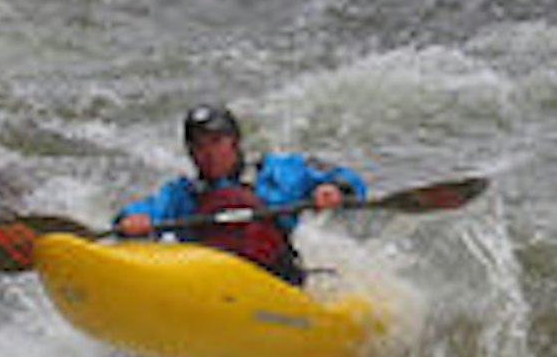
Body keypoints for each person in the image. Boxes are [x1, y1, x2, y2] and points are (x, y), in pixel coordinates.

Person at [113, 104, 367, 286]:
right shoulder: (182, 194)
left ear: (234, 142)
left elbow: (348, 179)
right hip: (209, 288)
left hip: (277, 284)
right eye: (199, 146)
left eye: (216, 142)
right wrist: (132, 220)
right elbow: (145, 210)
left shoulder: (278, 172)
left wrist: (335, 189)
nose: (208, 153)